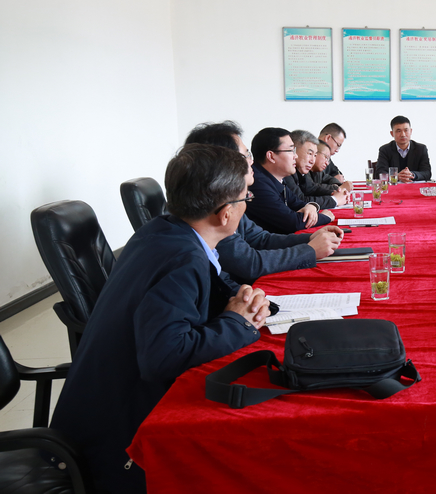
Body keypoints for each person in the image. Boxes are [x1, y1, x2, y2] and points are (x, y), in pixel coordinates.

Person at [50, 144, 271, 493]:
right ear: (226, 213)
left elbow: (204, 288)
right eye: (247, 197)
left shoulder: (163, 231)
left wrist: (241, 298)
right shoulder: (182, 258)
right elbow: (164, 357)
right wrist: (238, 323)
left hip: (96, 409)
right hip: (115, 442)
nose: (248, 203)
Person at [186, 122, 342, 285]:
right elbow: (249, 263)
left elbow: (261, 238)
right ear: (222, 164)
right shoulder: (213, 209)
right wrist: (309, 250)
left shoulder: (229, 197)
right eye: (246, 156)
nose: (251, 162)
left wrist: (310, 237)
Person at [246, 127, 330, 234]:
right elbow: (293, 222)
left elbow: (298, 203)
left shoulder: (276, 178)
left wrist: (312, 206)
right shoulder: (257, 183)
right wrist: (325, 217)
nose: (295, 156)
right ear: (271, 156)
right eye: (291, 151)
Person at [287, 129, 347, 210]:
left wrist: (336, 191)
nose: (312, 161)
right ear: (294, 151)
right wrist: (335, 200)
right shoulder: (286, 172)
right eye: (310, 154)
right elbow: (300, 201)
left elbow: (310, 189)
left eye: (315, 155)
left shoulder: (301, 170)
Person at [375, 115, 432, 182]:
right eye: (398, 131)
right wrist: (396, 176)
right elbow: (380, 173)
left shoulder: (421, 149)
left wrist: (412, 175)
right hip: (394, 187)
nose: (403, 134)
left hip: (414, 186)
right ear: (392, 133)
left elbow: (427, 173)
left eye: (406, 130)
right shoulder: (385, 150)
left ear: (411, 131)